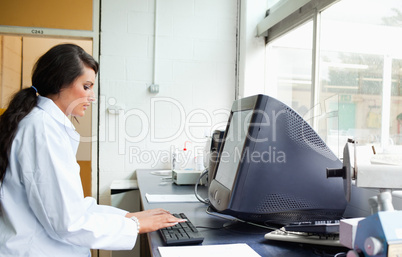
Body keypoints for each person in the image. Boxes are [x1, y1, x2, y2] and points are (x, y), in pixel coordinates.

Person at [0, 44, 184, 256]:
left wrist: (129, 217)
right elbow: (68, 223)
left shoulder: (41, 123)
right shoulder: (42, 130)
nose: (92, 96)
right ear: (59, 83)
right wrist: (135, 226)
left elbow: (74, 206)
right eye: (86, 86)